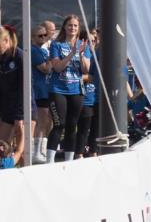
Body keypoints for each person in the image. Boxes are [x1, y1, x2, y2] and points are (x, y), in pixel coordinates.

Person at [48, 15, 91, 163]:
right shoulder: (56, 44)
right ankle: (49, 161)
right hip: (58, 89)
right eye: (70, 25)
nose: (72, 28)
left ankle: (69, 161)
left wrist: (80, 53)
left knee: (72, 126)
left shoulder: (83, 45)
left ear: (78, 29)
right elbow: (58, 67)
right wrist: (71, 53)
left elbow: (86, 70)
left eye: (75, 26)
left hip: (76, 90)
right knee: (59, 124)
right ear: (65, 27)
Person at [0, 25, 29, 165]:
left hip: (24, 108)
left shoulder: (20, 57)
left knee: (23, 152)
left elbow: (24, 87)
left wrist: (20, 115)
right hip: (7, 108)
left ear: (7, 40)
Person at [30, 23, 54, 163]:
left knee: (47, 120)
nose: (44, 37)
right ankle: (36, 151)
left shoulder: (43, 51)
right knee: (41, 120)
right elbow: (45, 68)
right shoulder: (34, 50)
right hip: (39, 90)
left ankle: (42, 149)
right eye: (40, 35)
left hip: (46, 89)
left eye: (45, 35)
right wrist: (52, 58)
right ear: (33, 37)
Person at [76, 28, 100, 158]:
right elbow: (82, 75)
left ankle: (93, 152)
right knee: (84, 128)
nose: (93, 43)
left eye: (94, 40)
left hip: (95, 97)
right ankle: (79, 153)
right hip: (84, 98)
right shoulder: (81, 53)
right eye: (89, 41)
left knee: (96, 128)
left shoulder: (97, 54)